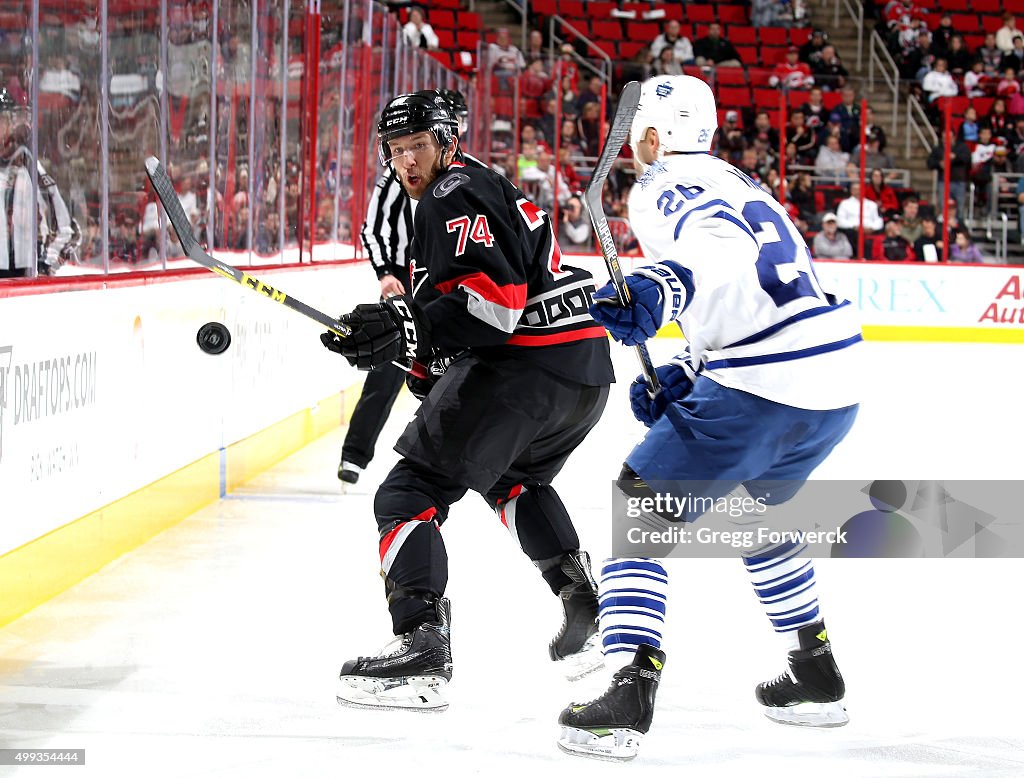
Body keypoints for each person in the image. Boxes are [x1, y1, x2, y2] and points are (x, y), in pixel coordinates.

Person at [556, 75, 861, 761]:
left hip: (769, 383)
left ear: (656, 136)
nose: (633, 145)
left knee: (641, 506)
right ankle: (815, 675)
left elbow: (722, 251)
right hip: (832, 382)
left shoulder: (660, 185)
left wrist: (662, 285)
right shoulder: (737, 180)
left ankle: (628, 689)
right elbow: (751, 291)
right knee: (753, 516)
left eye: (637, 131)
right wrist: (687, 375)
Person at [321, 91, 614, 710]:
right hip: (582, 370)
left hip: (525, 368)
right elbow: (474, 305)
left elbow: (496, 304)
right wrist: (424, 357)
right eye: (396, 151)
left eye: (418, 146)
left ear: (447, 139)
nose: (406, 163)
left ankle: (421, 649)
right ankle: (584, 604)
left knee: (407, 492)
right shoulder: (479, 185)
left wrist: (405, 326)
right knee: (512, 477)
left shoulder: (451, 194)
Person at [338, 90, 481, 486]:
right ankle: (355, 454)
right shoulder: (401, 171)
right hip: (406, 273)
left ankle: (462, 457)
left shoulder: (474, 176)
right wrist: (385, 272)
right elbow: (373, 227)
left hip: (450, 277)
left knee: (459, 365)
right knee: (388, 362)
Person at [0, 88, 81, 278]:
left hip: (19, 283)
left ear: (9, 123)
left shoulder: (27, 166)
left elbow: (67, 230)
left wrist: (44, 266)